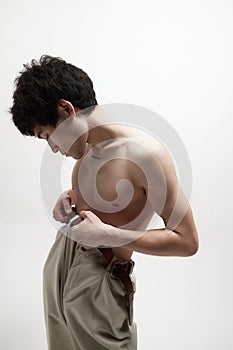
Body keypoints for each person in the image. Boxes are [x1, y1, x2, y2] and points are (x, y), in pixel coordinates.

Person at [10, 55, 199, 350]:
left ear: (67, 109)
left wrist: (108, 235)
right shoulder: (86, 151)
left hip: (100, 283)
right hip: (63, 264)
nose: (53, 148)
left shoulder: (145, 155)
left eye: (47, 135)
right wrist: (74, 198)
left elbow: (187, 241)